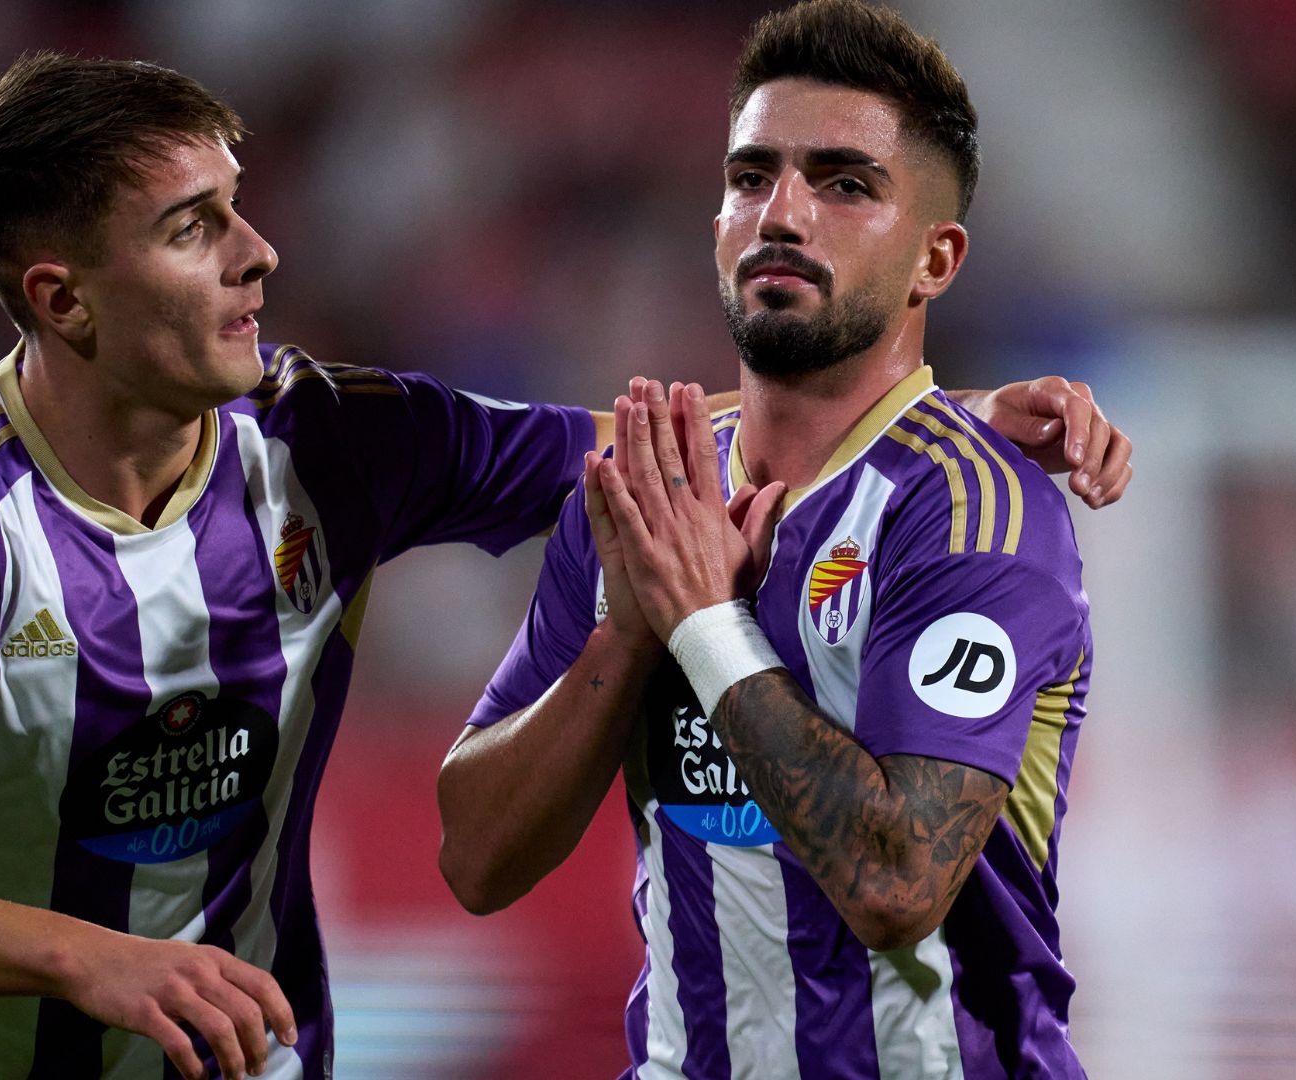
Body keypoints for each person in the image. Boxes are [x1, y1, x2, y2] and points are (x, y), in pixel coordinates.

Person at [0, 48, 1126, 1080]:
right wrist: (85, 954)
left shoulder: (334, 440)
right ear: (62, 297)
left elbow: (665, 446)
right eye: (193, 228)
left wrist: (924, 427)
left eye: (239, 206)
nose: (260, 255)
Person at [439, 2, 1098, 1077]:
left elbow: (896, 883)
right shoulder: (648, 491)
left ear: (935, 260)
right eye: (752, 177)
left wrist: (704, 623)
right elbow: (474, 858)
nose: (782, 213)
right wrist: (630, 634)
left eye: (845, 184)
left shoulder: (975, 512)